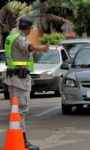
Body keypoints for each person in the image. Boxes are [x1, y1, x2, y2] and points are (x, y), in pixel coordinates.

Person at [4, 16, 49, 150]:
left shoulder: (11, 36)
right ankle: (22, 141)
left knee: (16, 111)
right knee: (21, 111)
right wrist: (42, 48)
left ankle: (20, 140)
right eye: (31, 28)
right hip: (19, 79)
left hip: (13, 78)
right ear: (28, 28)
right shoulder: (19, 38)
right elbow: (28, 47)